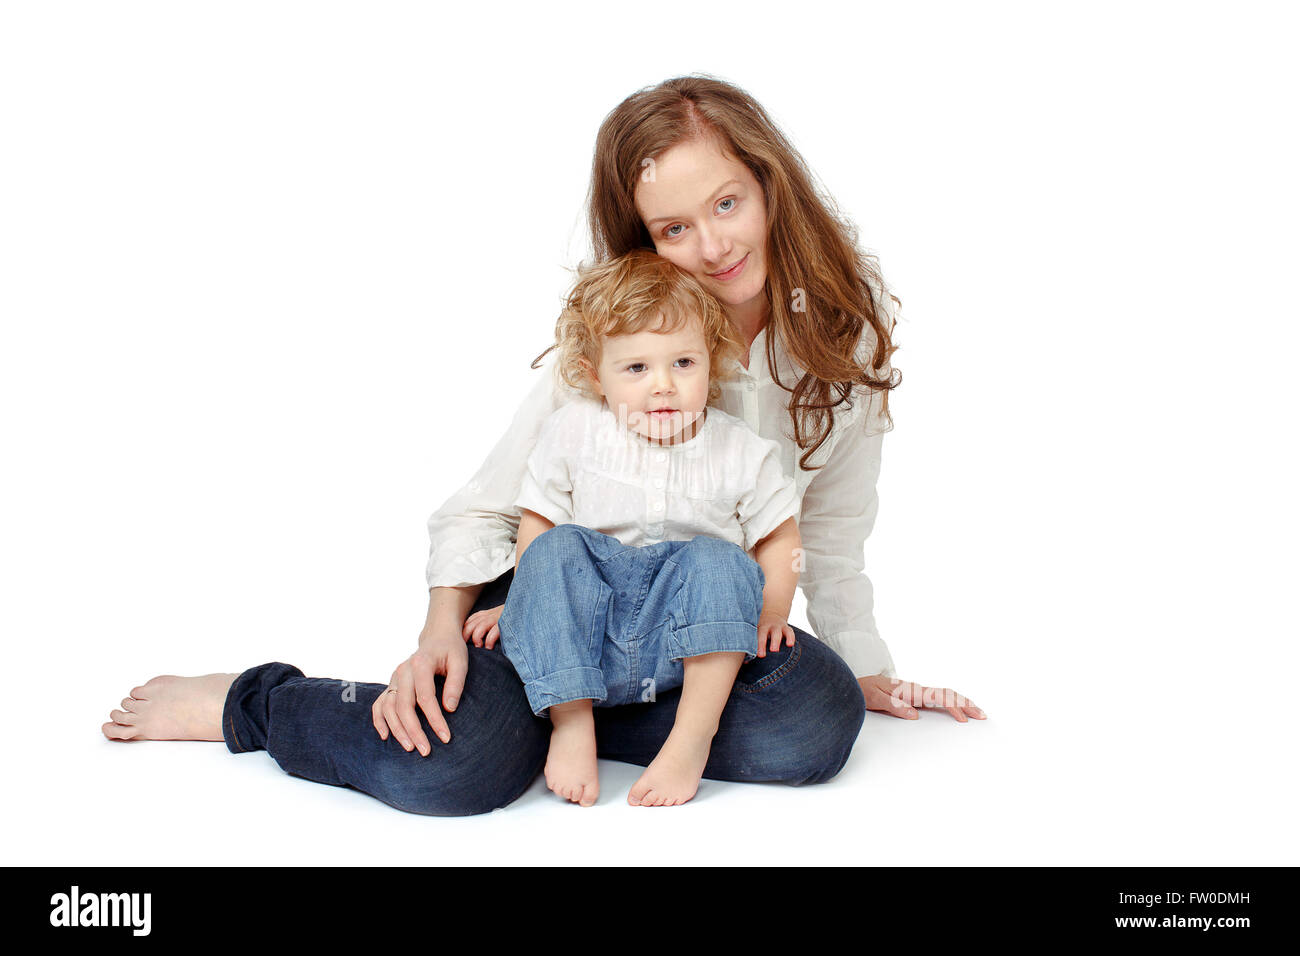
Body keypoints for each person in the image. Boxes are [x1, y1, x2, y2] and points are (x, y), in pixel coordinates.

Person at [102, 75, 984, 816]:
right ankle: (257, 704)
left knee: (816, 720)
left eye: (727, 203)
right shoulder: (631, 341)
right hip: (565, 584)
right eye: (675, 229)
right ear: (645, 239)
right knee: (446, 770)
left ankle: (586, 719)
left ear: (768, 185)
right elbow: (491, 506)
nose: (713, 245)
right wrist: (441, 628)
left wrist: (869, 667)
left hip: (693, 621)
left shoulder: (840, 330)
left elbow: (826, 527)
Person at [498, 250, 804, 808]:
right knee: (556, 546)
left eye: (683, 363)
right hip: (593, 626)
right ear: (596, 376)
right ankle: (572, 722)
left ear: (712, 362)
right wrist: (527, 601)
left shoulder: (739, 449)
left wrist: (774, 610)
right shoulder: (573, 431)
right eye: (636, 368)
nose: (662, 386)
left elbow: (779, 538)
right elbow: (538, 526)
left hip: (684, 635)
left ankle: (690, 739)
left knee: (722, 560)